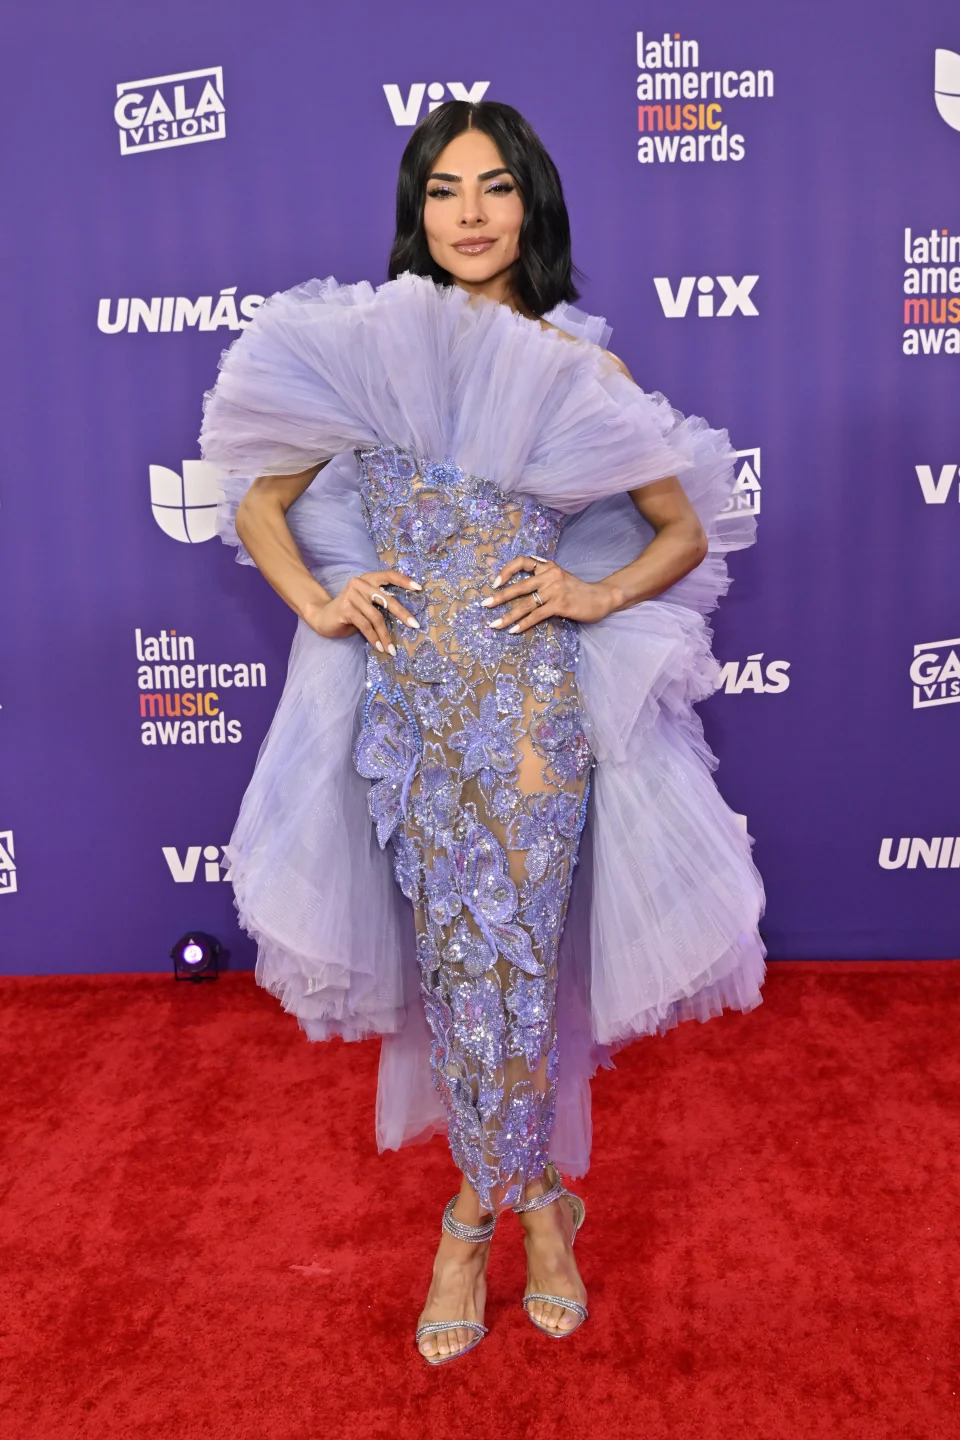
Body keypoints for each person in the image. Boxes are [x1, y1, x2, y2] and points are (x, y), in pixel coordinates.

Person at [199, 100, 766, 1366]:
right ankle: (530, 1203)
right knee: (463, 983)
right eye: (444, 189)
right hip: (406, 722)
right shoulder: (370, 351)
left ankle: (482, 1217)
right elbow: (260, 502)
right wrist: (319, 598)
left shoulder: (580, 368)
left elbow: (682, 530)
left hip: (528, 721)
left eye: (494, 188)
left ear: (531, 207)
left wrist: (593, 594)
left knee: (519, 974)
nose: (468, 213)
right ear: (419, 210)